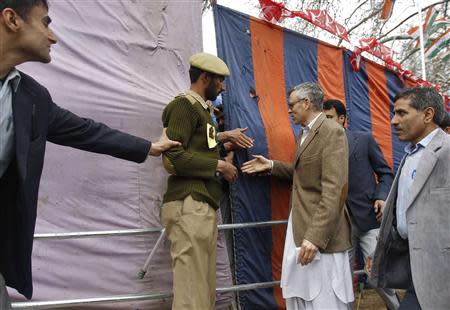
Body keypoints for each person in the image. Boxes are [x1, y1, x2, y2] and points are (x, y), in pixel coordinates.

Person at [0, 1, 180, 308]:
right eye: (45, 23)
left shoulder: (30, 98)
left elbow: (86, 131)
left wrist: (149, 147)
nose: (53, 37)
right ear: (12, 19)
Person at [241, 82, 354, 309]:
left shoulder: (332, 132)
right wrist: (271, 165)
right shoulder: (305, 133)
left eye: (291, 105)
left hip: (321, 235)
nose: (289, 110)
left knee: (324, 299)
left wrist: (315, 237)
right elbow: (303, 173)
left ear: (306, 103)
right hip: (301, 226)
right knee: (301, 296)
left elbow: (335, 189)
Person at [160, 52, 252, 310]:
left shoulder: (203, 110)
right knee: (191, 293)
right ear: (204, 78)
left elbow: (199, 152)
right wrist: (219, 164)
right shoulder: (184, 106)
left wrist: (224, 150)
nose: (222, 87)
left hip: (201, 204)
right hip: (189, 204)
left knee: (202, 291)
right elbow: (173, 157)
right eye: (219, 81)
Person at [367, 87, 450, 309]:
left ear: (428, 115)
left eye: (402, 113)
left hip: (441, 268)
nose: (394, 121)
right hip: (414, 264)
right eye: (394, 113)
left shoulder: (447, 150)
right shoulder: (410, 154)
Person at [323, 100, 399, 309]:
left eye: (329, 118)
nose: (325, 124)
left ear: (342, 118)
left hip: (368, 218)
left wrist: (381, 197)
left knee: (376, 274)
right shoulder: (319, 147)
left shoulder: (364, 140)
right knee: (341, 281)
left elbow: (385, 173)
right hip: (337, 224)